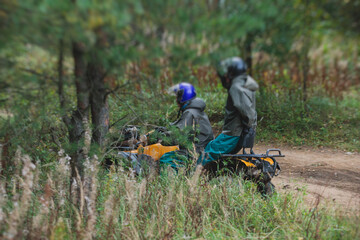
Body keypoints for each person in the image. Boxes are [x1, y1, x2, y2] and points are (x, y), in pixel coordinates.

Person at [197, 57, 259, 166]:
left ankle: (193, 179)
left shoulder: (236, 87)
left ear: (231, 73)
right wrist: (250, 128)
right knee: (216, 151)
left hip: (233, 133)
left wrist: (249, 126)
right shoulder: (246, 84)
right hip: (240, 132)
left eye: (226, 73)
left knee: (208, 153)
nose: (224, 76)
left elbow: (245, 109)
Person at [159, 82, 214, 170]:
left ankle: (171, 182)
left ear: (182, 97)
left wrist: (162, 138)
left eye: (177, 96)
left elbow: (178, 135)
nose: (176, 100)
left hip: (194, 151)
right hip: (202, 149)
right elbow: (180, 126)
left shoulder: (189, 113)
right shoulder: (196, 110)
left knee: (166, 159)